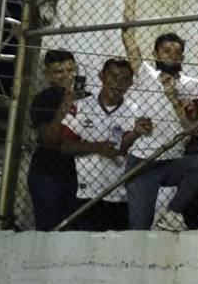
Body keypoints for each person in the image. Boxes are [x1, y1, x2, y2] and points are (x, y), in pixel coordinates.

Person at [120, 0, 198, 231]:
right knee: (138, 227)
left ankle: (172, 214)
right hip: (142, 161)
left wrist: (173, 97)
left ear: (182, 57)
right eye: (165, 51)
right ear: (156, 54)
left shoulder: (192, 84)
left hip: (173, 159)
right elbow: (128, 36)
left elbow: (188, 127)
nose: (171, 55)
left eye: (176, 52)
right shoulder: (145, 74)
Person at [57, 58, 141, 231]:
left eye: (124, 79)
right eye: (113, 76)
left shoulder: (136, 111)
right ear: (101, 76)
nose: (118, 82)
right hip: (86, 194)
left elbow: (131, 148)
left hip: (120, 196)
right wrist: (96, 147)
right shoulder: (81, 107)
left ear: (131, 83)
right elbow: (64, 145)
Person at [27, 49, 84, 229]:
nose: (66, 76)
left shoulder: (89, 99)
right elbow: (49, 138)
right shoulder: (42, 100)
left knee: (74, 231)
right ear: (48, 75)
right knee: (48, 230)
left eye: (70, 70)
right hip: (47, 174)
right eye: (59, 72)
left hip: (78, 177)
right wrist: (67, 103)